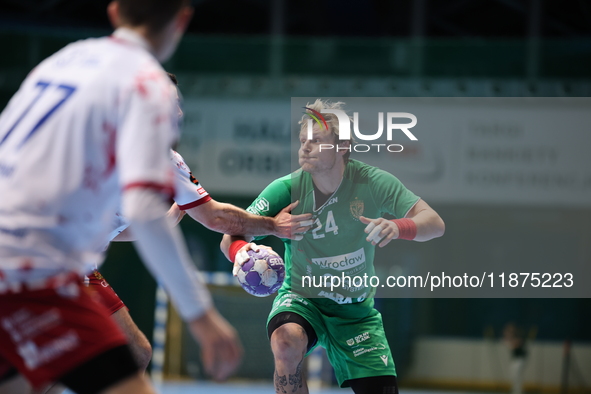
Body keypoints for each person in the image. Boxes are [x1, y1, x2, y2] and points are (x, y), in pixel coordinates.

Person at [0, 1, 249, 393]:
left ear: (114, 12)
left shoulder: (65, 60)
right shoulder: (146, 84)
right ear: (181, 21)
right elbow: (145, 211)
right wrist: (200, 313)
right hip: (31, 268)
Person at [221, 99, 445, 394]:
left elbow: (435, 223)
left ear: (342, 146)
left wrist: (397, 226)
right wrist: (243, 254)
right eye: (302, 141)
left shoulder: (372, 182)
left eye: (316, 141)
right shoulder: (286, 189)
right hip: (302, 299)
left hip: (355, 313)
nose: (305, 147)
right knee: (285, 342)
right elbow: (230, 237)